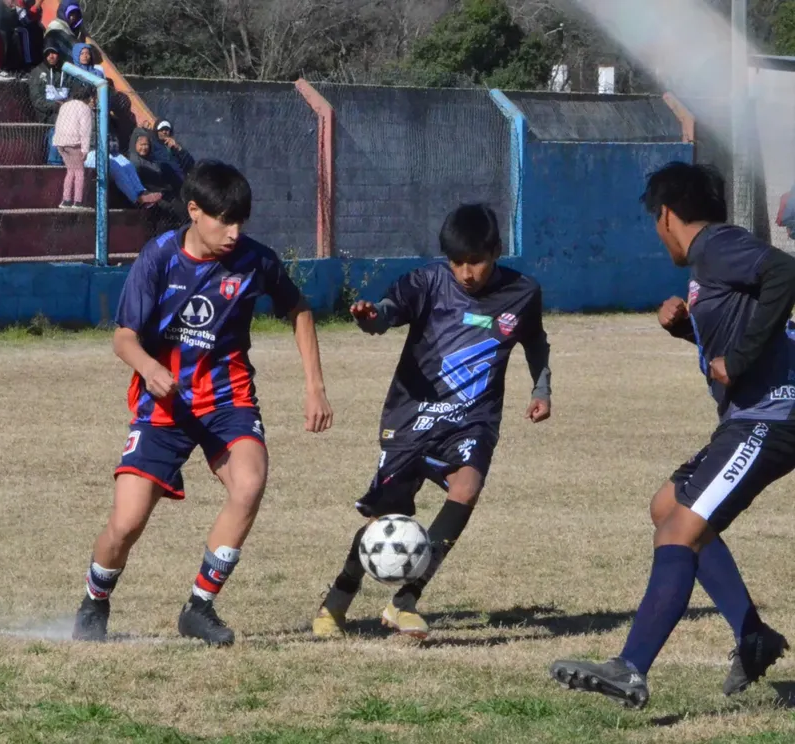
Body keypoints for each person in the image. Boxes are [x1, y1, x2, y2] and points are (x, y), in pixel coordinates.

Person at [551, 162, 795, 710]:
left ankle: (631, 668)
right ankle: (752, 634)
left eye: (654, 222)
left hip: (769, 419)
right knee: (667, 507)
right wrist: (688, 328)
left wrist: (741, 357)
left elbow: (785, 273)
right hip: (749, 417)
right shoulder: (716, 257)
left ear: (666, 215)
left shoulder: (714, 245)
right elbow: (741, 324)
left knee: (679, 532)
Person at [71, 160, 334, 646]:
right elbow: (124, 337)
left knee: (249, 484)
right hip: (164, 406)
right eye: (224, 220)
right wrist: (150, 369)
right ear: (194, 211)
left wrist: (314, 385)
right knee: (126, 523)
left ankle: (199, 606)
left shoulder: (254, 261)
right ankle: (94, 601)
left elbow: (298, 308)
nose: (235, 232)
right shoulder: (159, 257)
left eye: (241, 222)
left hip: (227, 401)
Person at [311, 204, 552, 641]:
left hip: (472, 420)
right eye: (457, 262)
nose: (466, 273)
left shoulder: (522, 293)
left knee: (468, 488)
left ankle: (405, 600)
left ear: (496, 251)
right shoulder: (428, 282)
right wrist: (372, 317)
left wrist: (541, 389)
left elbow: (534, 339)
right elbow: (389, 311)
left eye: (475, 261)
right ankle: (337, 600)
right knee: (387, 519)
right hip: (411, 416)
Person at [52, 87, 92, 209]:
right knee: (79, 172)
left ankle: (66, 200)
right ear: (88, 98)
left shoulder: (65, 105)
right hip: (74, 143)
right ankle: (78, 201)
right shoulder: (85, 108)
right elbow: (85, 130)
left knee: (70, 171)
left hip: (60, 142)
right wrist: (85, 149)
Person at [28, 41, 74, 124]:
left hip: (68, 109)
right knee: (63, 121)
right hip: (47, 114)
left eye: (53, 53)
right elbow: (36, 99)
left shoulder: (66, 71)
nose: (51, 56)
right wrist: (54, 106)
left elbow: (73, 90)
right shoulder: (37, 72)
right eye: (48, 54)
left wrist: (68, 104)